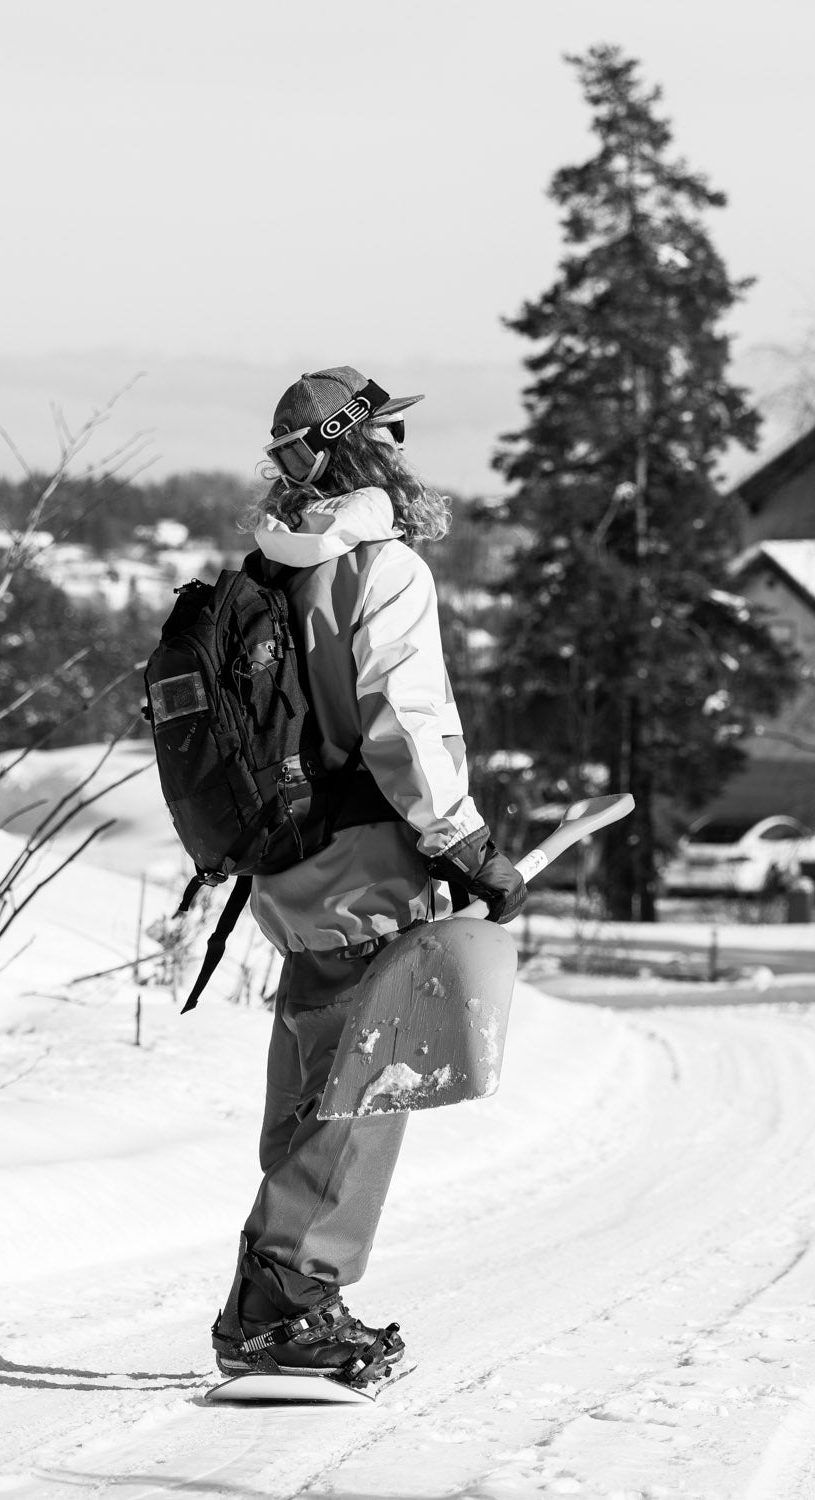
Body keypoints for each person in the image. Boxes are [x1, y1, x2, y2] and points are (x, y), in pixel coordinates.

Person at [210, 366, 527, 1388]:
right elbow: (407, 723)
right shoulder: (378, 567)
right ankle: (288, 1310)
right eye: (385, 430)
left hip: (286, 866)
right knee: (361, 1091)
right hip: (369, 866)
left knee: (311, 1086)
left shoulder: (268, 571)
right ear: (359, 445)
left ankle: (268, 1299)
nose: (397, 445)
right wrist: (467, 844)